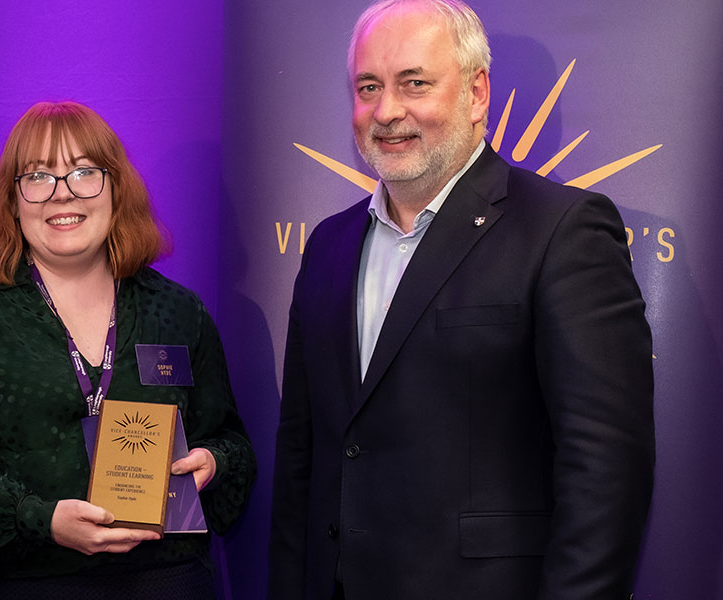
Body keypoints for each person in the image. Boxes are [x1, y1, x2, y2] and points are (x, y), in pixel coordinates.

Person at [268, 1, 655, 598]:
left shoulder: (563, 232)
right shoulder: (327, 246)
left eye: (414, 83)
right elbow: (301, 457)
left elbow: (606, 471)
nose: (386, 111)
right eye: (368, 87)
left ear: (477, 95)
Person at [0, 101, 256, 600]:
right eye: (38, 177)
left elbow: (230, 442)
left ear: (116, 188)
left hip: (163, 582)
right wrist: (41, 519)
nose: (62, 194)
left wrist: (211, 463)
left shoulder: (178, 312)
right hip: (15, 586)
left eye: (84, 173)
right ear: (12, 200)